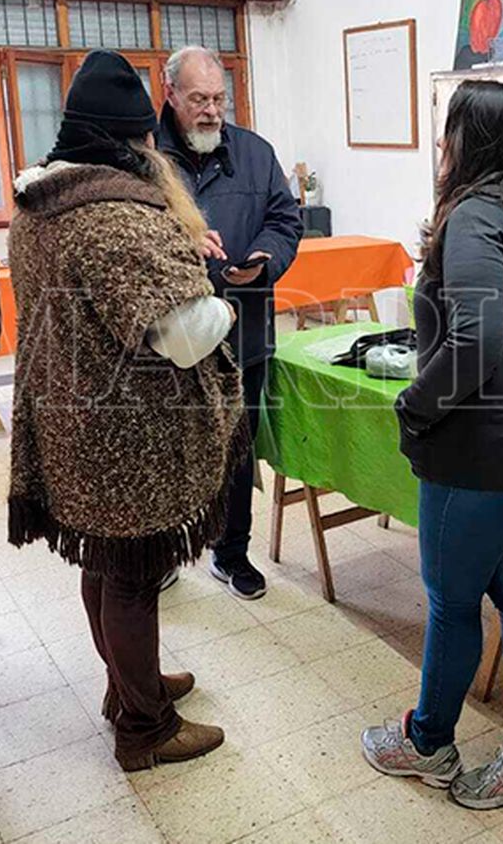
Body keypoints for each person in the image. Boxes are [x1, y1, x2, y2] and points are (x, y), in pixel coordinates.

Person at [8, 50, 243, 771]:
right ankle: (146, 727)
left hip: (73, 417)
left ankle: (126, 684)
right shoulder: (114, 217)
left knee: (106, 565)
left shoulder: (40, 203)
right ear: (134, 139)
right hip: (127, 431)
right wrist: (222, 306)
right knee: (134, 575)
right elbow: (179, 335)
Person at [361, 80, 503, 810]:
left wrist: (415, 405)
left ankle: (428, 743)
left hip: (482, 442)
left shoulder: (476, 217)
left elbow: (476, 338)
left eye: (448, 131)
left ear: (467, 142)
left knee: (452, 601)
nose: (441, 146)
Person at [156, 45, 302, 600]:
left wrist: (264, 258)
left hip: (244, 330)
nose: (211, 110)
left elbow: (285, 220)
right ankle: (163, 550)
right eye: (198, 99)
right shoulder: (145, 157)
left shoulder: (255, 153)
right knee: (169, 448)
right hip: (170, 337)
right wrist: (181, 242)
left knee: (237, 447)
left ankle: (231, 551)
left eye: (219, 98)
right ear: (169, 95)